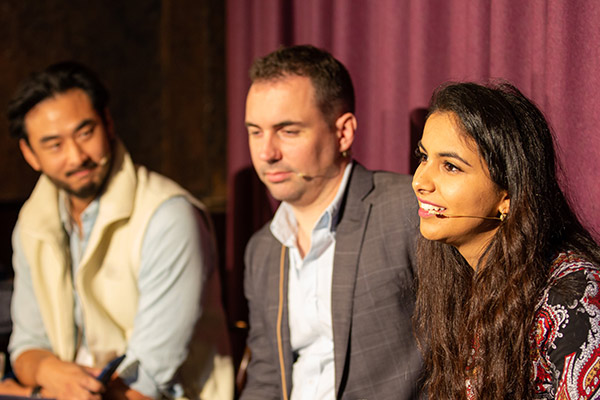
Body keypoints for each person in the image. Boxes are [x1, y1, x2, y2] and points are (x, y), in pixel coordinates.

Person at [2, 62, 233, 400]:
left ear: (108, 124)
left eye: (85, 133)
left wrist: (35, 394)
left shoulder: (168, 216)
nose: (76, 156)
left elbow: (146, 383)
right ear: (29, 154)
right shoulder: (32, 221)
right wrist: (47, 373)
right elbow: (25, 348)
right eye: (54, 145)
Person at [240, 45, 423, 400]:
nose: (266, 153)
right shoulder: (262, 249)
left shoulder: (406, 210)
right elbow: (266, 378)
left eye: (288, 131)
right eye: (255, 132)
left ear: (344, 132)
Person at [412, 81, 600, 399]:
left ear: (507, 195)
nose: (420, 181)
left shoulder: (573, 299)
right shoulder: (459, 279)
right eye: (423, 157)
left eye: (450, 167)